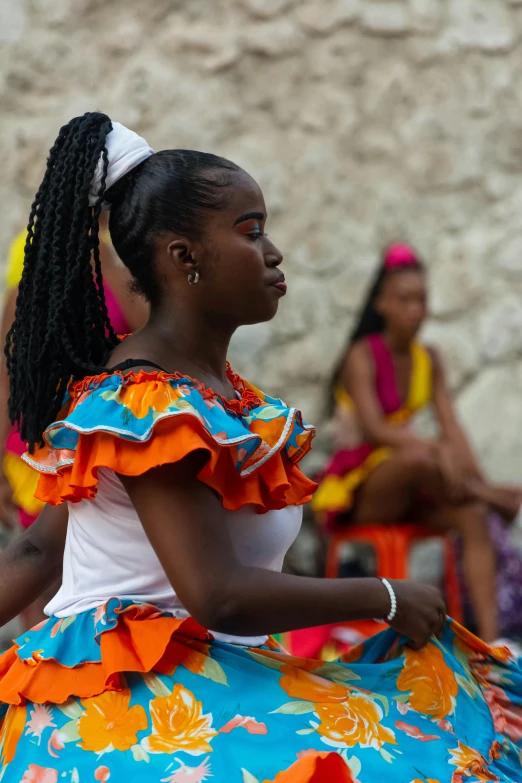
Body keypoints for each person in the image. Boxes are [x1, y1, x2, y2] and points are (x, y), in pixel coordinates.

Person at [0, 114, 519, 782]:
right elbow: (217, 595)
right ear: (183, 258)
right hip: (133, 702)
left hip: (210, 675)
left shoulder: (212, 398)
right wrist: (384, 594)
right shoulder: (147, 407)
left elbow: (42, 547)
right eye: (250, 231)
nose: (274, 252)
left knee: (472, 699)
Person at [313, 245, 500, 643]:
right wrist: (439, 452)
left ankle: (491, 641)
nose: (416, 309)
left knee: (471, 513)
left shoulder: (427, 359)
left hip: (413, 488)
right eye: (404, 299)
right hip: (364, 490)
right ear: (381, 303)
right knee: (419, 456)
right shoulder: (361, 356)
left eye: (422, 299)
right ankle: (490, 493)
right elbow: (378, 431)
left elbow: (453, 427)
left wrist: (464, 470)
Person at [0, 218, 148, 630]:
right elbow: (6, 373)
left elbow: (156, 336)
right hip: (41, 447)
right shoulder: (32, 276)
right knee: (49, 577)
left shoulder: (118, 267)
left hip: (104, 445)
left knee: (90, 577)